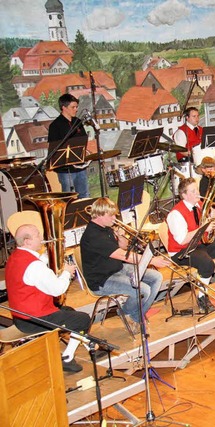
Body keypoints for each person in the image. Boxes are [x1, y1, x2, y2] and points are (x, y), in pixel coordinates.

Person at [6, 224, 89, 372]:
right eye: (37, 235)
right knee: (83, 319)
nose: (42, 238)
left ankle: (88, 343)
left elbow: (38, 266)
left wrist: (52, 256)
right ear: (27, 241)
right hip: (34, 320)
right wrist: (66, 273)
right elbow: (57, 289)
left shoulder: (15, 257)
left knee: (69, 311)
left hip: (20, 317)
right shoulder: (34, 266)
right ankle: (67, 357)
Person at [80, 198, 169, 332]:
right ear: (98, 215)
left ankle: (134, 315)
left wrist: (120, 236)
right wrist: (151, 260)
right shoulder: (93, 236)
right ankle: (128, 313)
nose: (114, 218)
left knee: (156, 277)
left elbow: (123, 247)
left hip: (117, 268)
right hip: (102, 279)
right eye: (111, 215)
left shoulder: (105, 227)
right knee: (143, 290)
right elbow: (123, 256)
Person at [166, 178, 215, 312]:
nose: (198, 193)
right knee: (207, 264)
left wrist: (213, 216)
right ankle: (202, 297)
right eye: (193, 191)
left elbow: (207, 228)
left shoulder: (200, 205)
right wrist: (204, 228)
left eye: (197, 190)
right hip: (182, 251)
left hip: (200, 243)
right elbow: (182, 240)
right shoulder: (176, 214)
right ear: (184, 195)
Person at [47, 93, 90, 198]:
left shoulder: (78, 122)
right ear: (64, 108)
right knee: (68, 197)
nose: (76, 109)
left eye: (76, 107)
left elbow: (83, 142)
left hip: (80, 167)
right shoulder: (55, 126)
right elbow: (54, 148)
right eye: (73, 107)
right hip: (65, 170)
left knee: (84, 194)